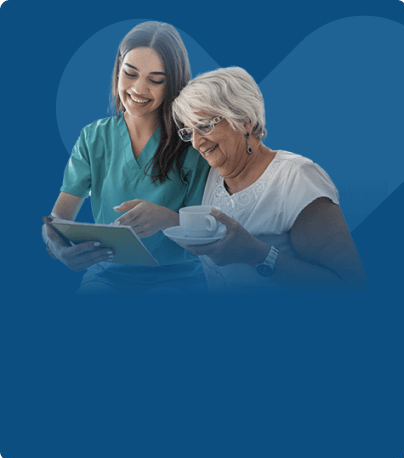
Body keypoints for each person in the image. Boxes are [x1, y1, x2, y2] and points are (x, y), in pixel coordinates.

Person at [42, 21, 210, 294]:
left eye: (155, 80)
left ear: (173, 85)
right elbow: (57, 219)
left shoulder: (193, 142)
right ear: (117, 71)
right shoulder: (93, 137)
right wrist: (60, 250)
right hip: (106, 276)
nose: (139, 89)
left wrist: (168, 218)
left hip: (177, 279)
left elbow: (208, 233)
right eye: (130, 74)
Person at [171, 67, 367, 291]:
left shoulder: (296, 179)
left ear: (245, 119)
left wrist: (256, 253)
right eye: (189, 131)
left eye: (204, 126)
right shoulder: (211, 176)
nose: (196, 143)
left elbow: (352, 289)